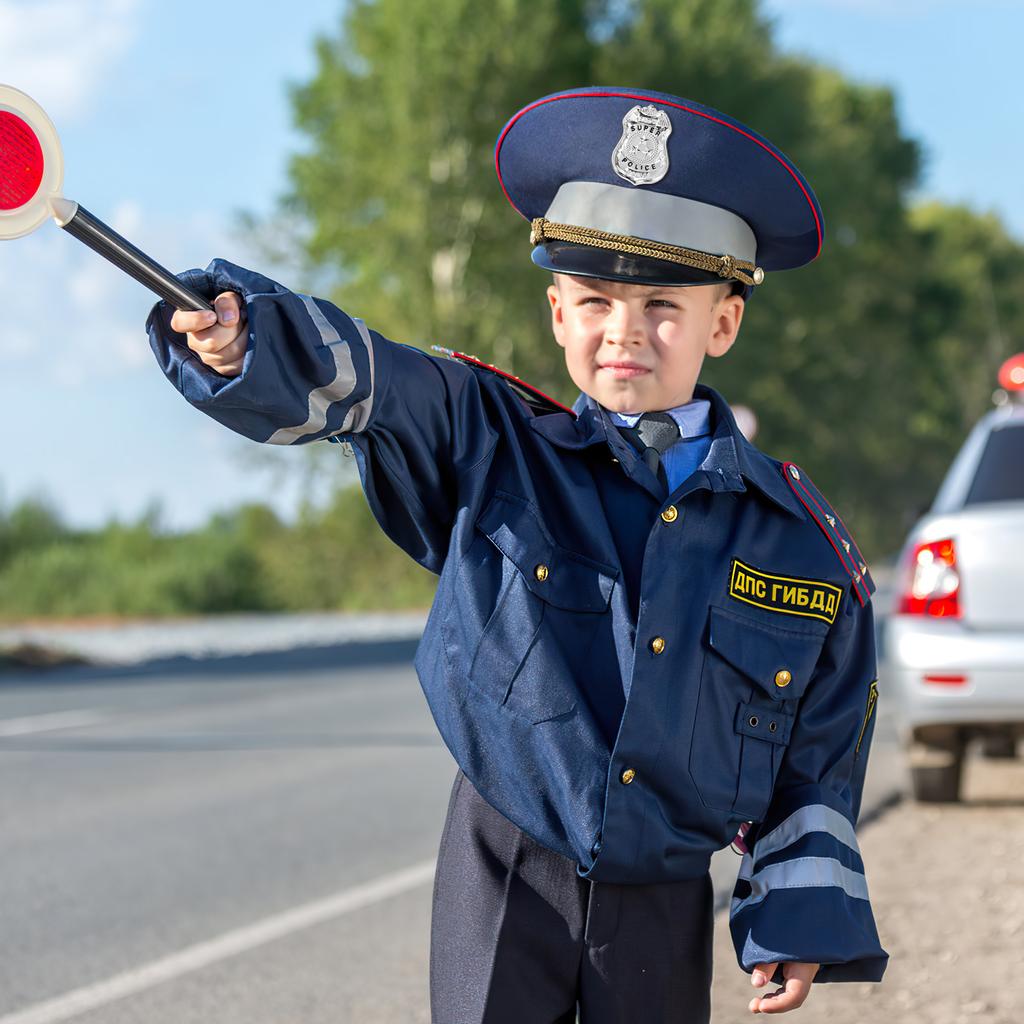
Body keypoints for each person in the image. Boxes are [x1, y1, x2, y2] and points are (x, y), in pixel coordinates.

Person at [147, 87, 888, 1022]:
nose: (624, 331)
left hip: (662, 891)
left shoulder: (797, 540)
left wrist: (790, 921)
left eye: (664, 304)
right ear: (555, 313)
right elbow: (378, 382)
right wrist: (246, 341)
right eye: (594, 301)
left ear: (724, 324)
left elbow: (818, 751)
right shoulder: (491, 439)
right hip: (503, 867)